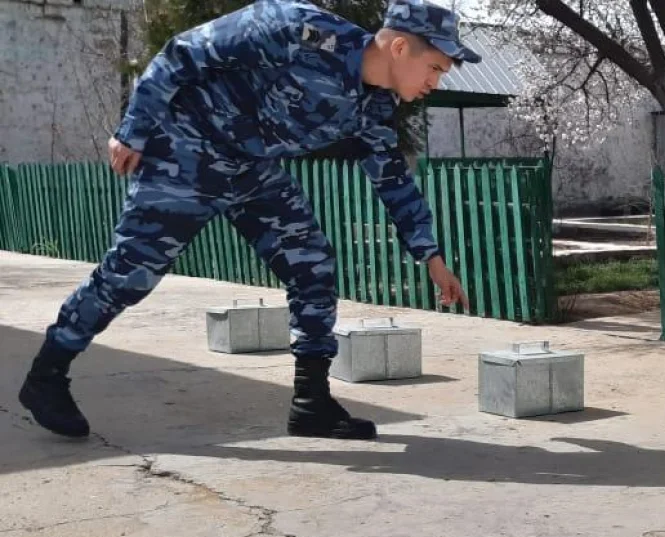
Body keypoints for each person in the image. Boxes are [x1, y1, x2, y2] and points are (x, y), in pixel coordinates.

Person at [18, 0, 477, 441]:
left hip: (251, 169)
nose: (435, 82)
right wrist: (134, 128)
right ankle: (47, 375)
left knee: (312, 263)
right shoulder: (297, 28)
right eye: (434, 67)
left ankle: (312, 403)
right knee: (130, 274)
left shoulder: (374, 107)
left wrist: (431, 257)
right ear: (400, 48)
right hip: (188, 150)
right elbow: (184, 52)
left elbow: (393, 180)